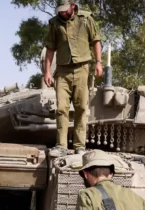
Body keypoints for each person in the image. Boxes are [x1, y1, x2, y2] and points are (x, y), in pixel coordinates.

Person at [44, 0, 103, 156]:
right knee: (61, 108)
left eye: (65, 9)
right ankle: (61, 145)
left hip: (82, 68)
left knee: (81, 108)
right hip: (62, 71)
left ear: (73, 5)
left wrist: (98, 62)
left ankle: (79, 145)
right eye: (60, 10)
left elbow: (96, 41)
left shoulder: (85, 19)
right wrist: (47, 72)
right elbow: (50, 49)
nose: (62, 13)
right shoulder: (54, 23)